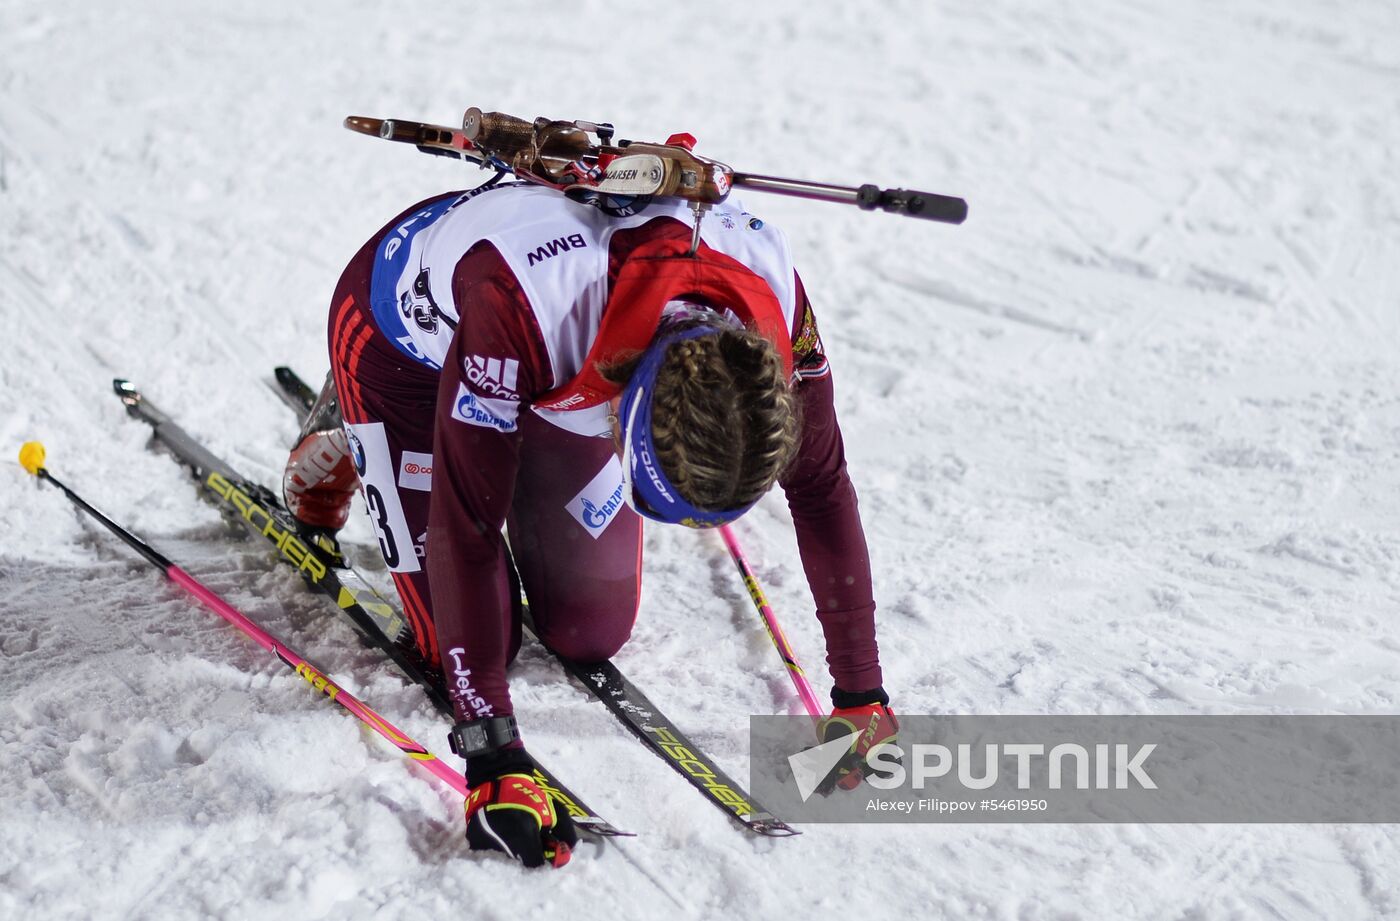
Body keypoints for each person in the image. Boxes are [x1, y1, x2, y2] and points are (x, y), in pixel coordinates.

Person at [283, 180, 896, 868]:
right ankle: (354, 423)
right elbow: (467, 526)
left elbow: (820, 486)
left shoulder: (774, 298)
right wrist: (495, 757)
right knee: (465, 644)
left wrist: (862, 693)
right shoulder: (518, 301)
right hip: (410, 353)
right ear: (628, 420)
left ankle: (516, 428)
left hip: (572, 368)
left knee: (589, 629)